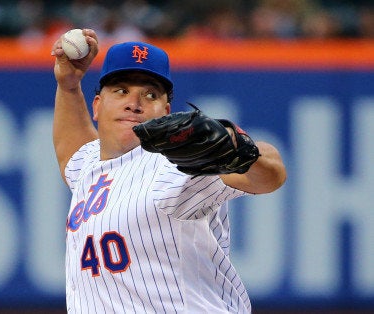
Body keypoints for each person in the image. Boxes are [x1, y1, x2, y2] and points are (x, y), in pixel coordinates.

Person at [51, 29, 287, 313]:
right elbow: (71, 152)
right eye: (121, 90)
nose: (134, 103)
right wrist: (68, 86)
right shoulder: (90, 164)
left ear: (165, 111)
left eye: (149, 95)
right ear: (97, 106)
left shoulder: (173, 164)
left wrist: (238, 146)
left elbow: (270, 175)